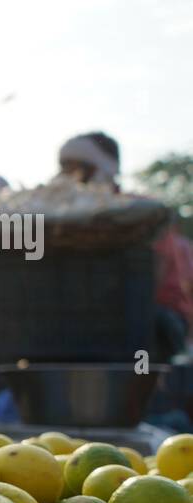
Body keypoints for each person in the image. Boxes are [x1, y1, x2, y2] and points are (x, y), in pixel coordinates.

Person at [58, 131, 193, 361]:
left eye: (79, 168)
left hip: (157, 318)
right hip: (94, 317)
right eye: (65, 167)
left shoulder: (143, 212)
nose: (70, 177)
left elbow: (151, 278)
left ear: (103, 167)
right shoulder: (63, 219)